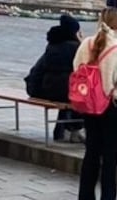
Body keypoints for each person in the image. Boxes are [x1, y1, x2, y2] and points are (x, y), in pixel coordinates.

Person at [73, 7, 117, 200]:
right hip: (113, 105)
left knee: (91, 151)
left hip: (89, 105)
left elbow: (76, 68)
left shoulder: (86, 44)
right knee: (110, 155)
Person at [24, 14, 85, 142]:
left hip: (49, 89)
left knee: (66, 91)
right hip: (65, 92)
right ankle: (75, 128)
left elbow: (38, 69)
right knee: (82, 95)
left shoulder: (52, 46)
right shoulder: (77, 48)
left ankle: (62, 130)